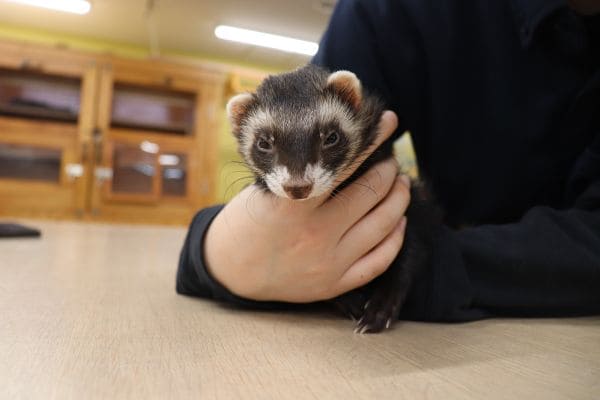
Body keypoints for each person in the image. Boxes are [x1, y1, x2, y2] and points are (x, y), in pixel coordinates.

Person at [176, 0, 600, 321]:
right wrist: (215, 249)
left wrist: (412, 268)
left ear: (351, 102)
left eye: (326, 138)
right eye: (267, 145)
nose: (297, 176)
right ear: (240, 128)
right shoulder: (390, 12)